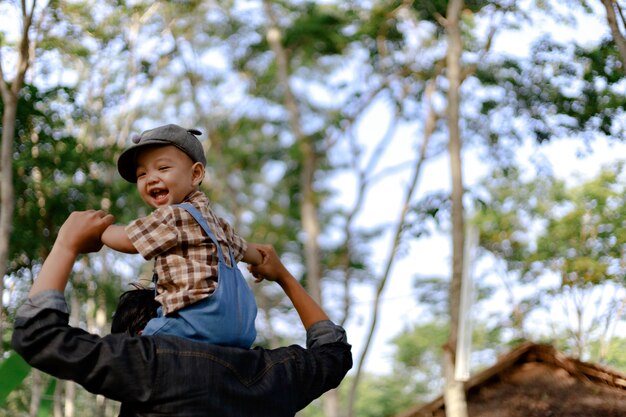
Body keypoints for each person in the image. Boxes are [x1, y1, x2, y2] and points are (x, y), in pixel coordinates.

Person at [12, 210, 352, 417]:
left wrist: (66, 245)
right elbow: (333, 352)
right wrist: (284, 277)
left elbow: (38, 335)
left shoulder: (149, 365)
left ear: (140, 336)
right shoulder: (278, 375)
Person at [101, 124, 262, 347]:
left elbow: (129, 241)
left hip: (194, 324)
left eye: (163, 168)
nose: (151, 178)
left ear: (195, 174)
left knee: (129, 350)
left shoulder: (174, 216)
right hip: (239, 332)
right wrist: (261, 262)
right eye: (142, 173)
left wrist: (99, 231)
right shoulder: (217, 224)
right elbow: (246, 250)